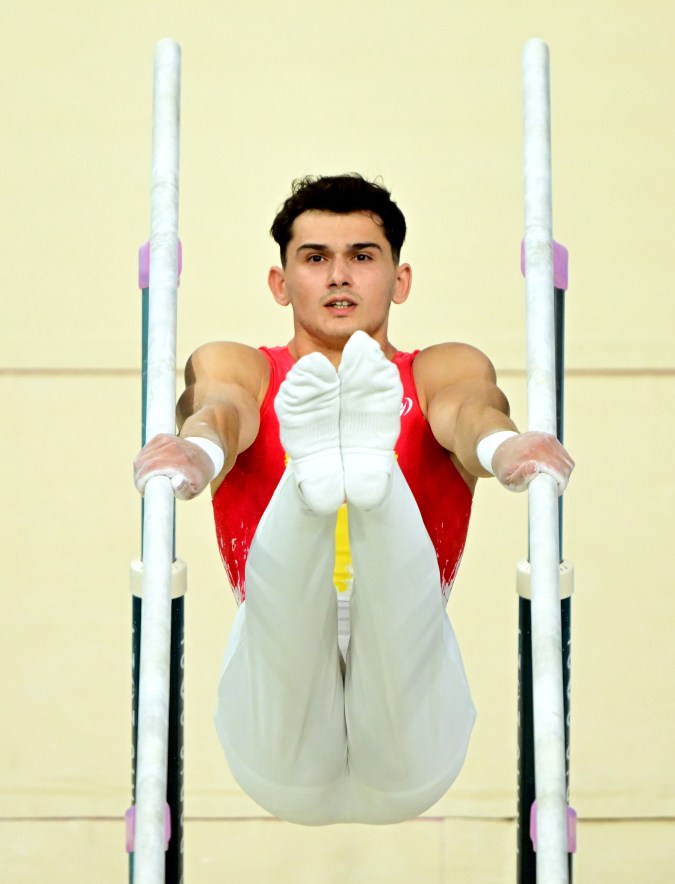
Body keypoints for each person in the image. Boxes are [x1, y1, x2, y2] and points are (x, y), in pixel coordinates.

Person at [134, 174, 574, 826]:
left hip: (407, 724)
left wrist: (503, 447)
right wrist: (195, 452)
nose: (339, 276)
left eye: (362, 257)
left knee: (397, 617)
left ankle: (358, 479)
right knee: (280, 625)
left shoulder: (438, 370)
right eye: (315, 258)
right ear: (280, 283)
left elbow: (469, 410)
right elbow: (220, 410)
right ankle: (322, 484)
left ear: (399, 279)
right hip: (281, 728)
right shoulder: (243, 367)